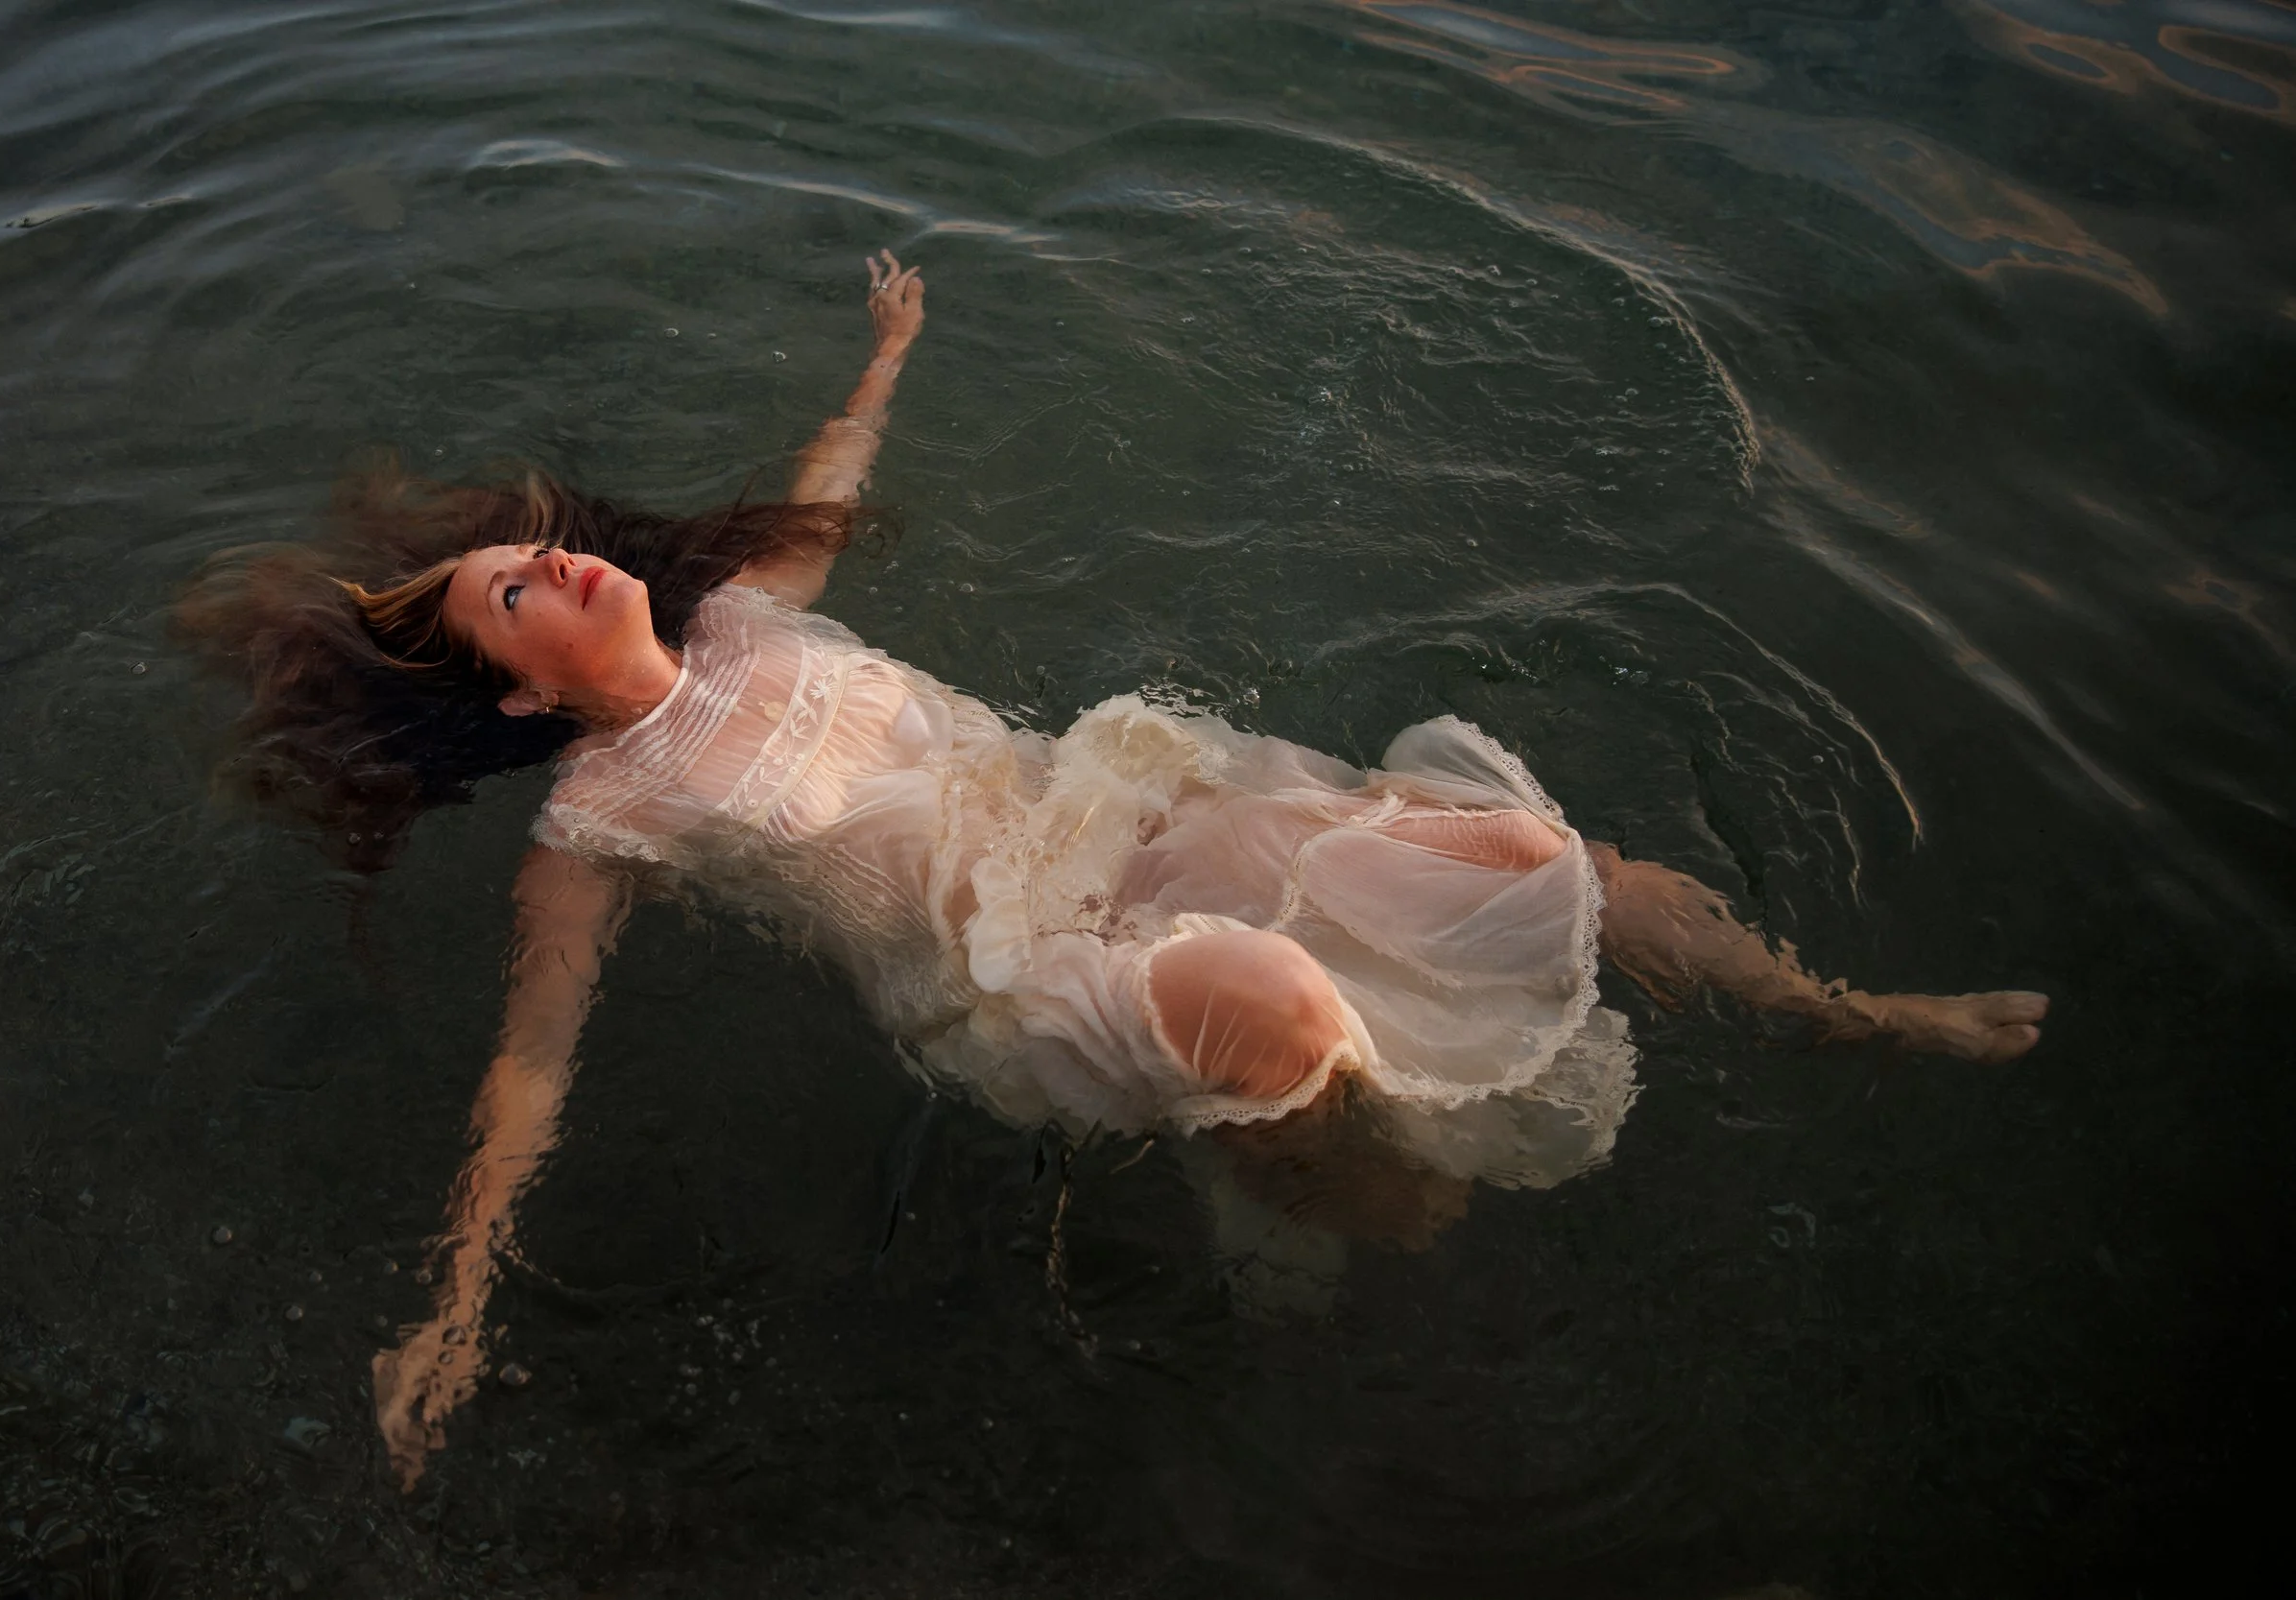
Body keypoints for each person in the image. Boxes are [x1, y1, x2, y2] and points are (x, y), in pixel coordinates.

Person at [178, 251, 2045, 1487]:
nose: (549, 558)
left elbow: (822, 478)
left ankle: (1836, 1009)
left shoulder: (743, 610)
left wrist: (888, 347)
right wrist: (460, 1290)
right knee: (1282, 1012)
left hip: (1120, 812)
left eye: (524, 544)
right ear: (509, 681)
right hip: (996, 978)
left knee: (1516, 850)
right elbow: (531, 1060)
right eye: (506, 586)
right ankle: (1300, 1181)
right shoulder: (601, 822)